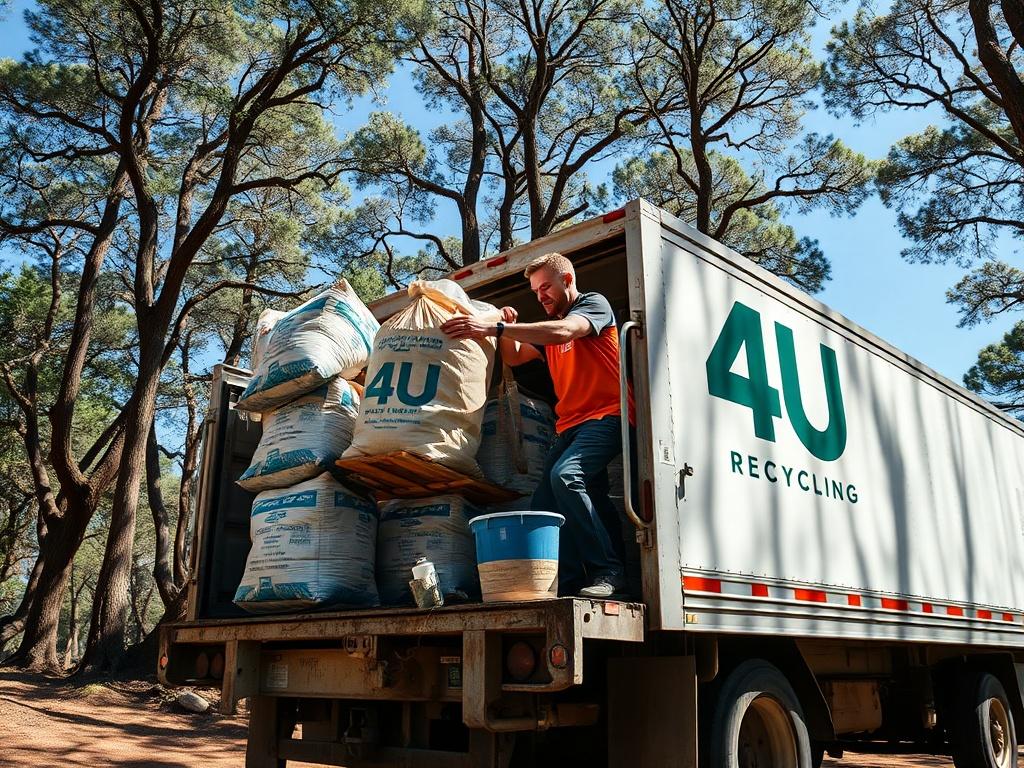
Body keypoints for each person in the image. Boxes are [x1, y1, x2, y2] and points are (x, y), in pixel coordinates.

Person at [441, 252, 634, 598]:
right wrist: (504, 326)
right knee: (547, 502)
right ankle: (571, 579)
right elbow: (515, 355)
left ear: (568, 281)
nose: (540, 296)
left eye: (545, 287)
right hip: (572, 425)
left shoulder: (592, 306)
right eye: (534, 291)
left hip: (609, 416)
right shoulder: (551, 334)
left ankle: (610, 570)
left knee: (566, 477)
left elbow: (564, 332)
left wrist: (493, 326)